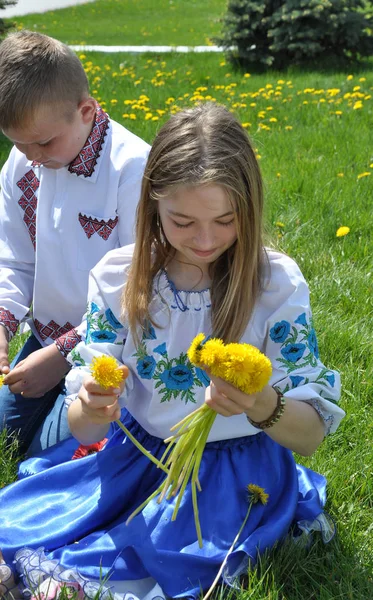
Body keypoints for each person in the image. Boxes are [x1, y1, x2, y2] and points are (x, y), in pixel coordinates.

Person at [0, 103, 345, 600]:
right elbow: (85, 426)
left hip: (234, 474)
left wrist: (260, 402)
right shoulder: (121, 276)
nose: (205, 241)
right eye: (182, 222)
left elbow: (309, 437)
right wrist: (95, 404)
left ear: (248, 209)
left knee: (158, 556)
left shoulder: (274, 286)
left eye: (225, 221)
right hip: (137, 458)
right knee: (33, 526)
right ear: (152, 205)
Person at [0, 30, 150, 454]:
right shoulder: (24, 162)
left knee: (50, 455)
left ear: (86, 110)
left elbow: (140, 287)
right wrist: (4, 323)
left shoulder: (131, 168)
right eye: (17, 142)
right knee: (6, 435)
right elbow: (13, 260)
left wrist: (65, 356)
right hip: (45, 339)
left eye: (43, 142)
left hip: (115, 348)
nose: (30, 156)